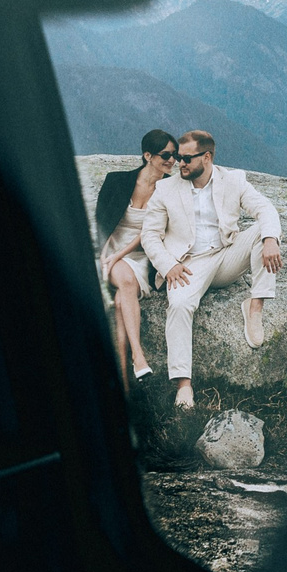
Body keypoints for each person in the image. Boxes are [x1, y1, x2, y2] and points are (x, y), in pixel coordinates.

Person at [141, 130, 282, 410]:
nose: (179, 163)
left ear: (207, 157)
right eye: (178, 158)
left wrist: (269, 239)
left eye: (186, 158)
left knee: (267, 233)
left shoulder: (233, 180)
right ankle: (183, 385)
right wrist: (168, 265)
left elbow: (265, 209)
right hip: (189, 264)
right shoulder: (166, 189)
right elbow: (149, 235)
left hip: (227, 254)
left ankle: (254, 307)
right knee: (179, 305)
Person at [93, 129, 177, 388]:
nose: (172, 161)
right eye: (166, 155)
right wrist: (105, 255)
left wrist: (117, 256)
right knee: (126, 285)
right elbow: (102, 221)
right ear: (147, 155)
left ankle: (125, 381)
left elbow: (147, 234)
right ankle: (138, 358)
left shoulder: (169, 191)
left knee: (122, 300)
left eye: (174, 155)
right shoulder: (117, 181)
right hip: (112, 250)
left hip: (142, 255)